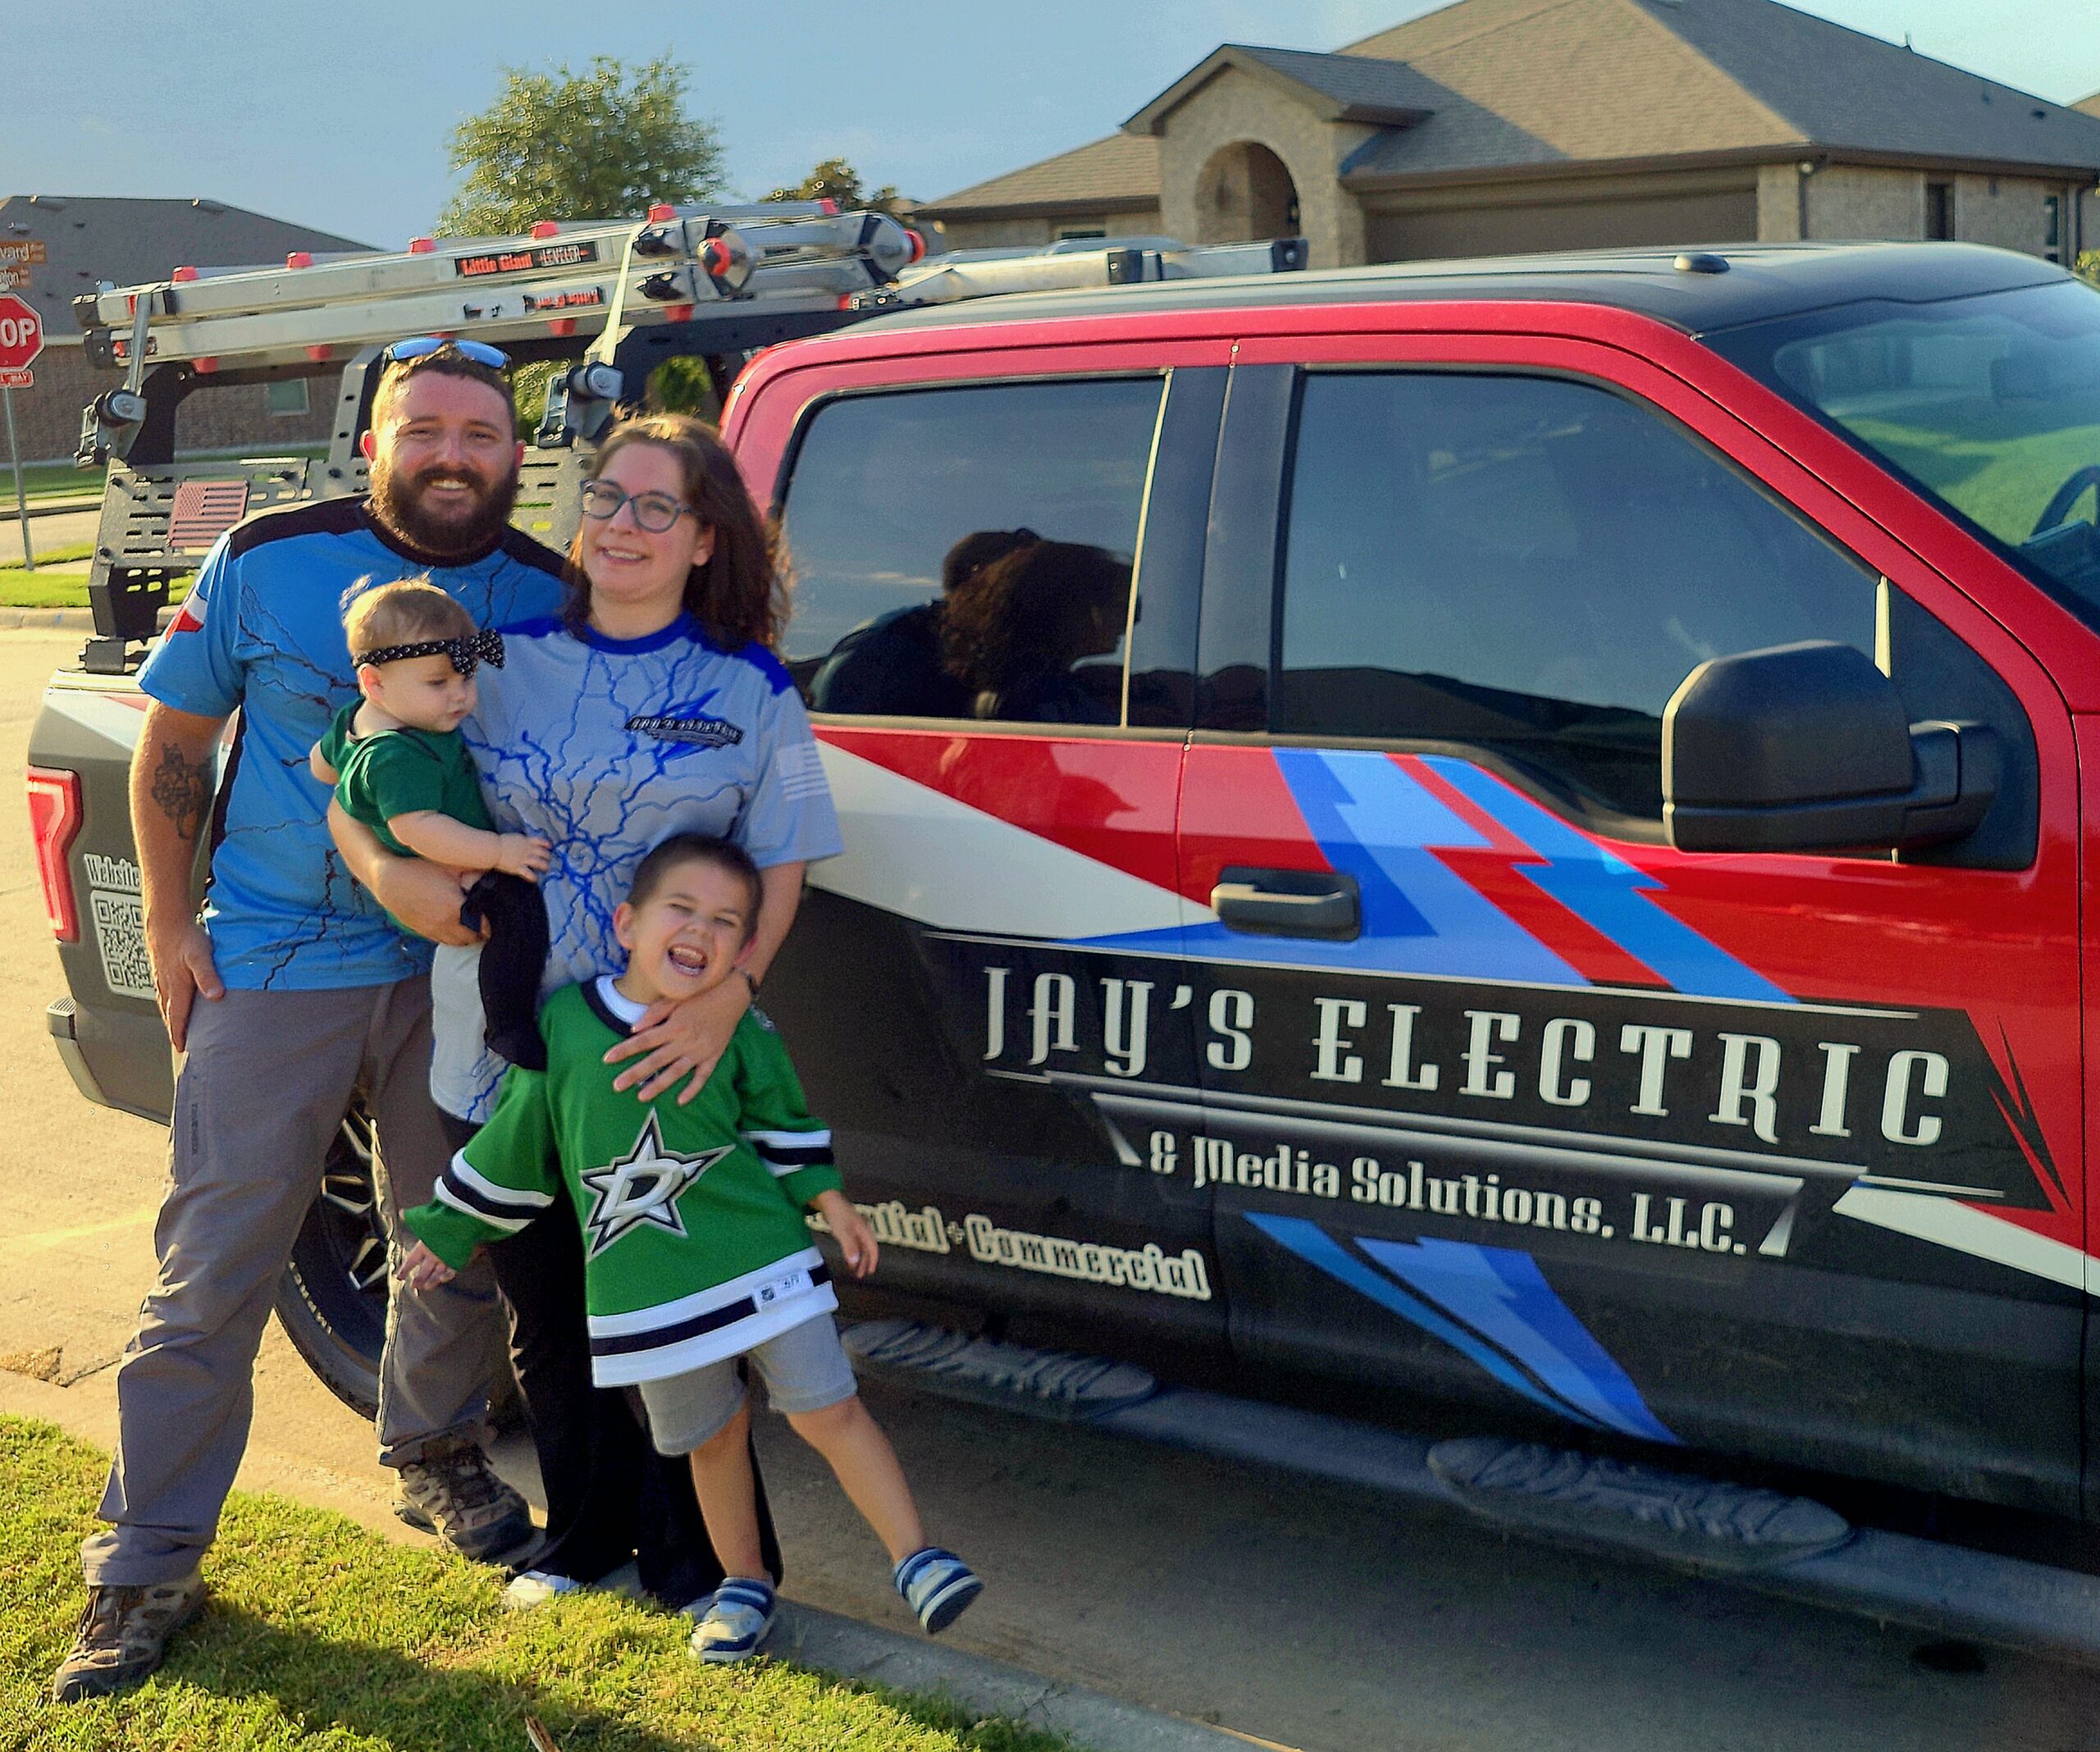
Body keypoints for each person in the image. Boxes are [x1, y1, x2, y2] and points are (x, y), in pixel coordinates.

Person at [54, 338, 561, 1705]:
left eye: (480, 433)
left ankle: (437, 1453)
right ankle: (146, 1561)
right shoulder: (270, 558)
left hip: (451, 975)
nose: (452, 454)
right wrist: (172, 926)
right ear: (376, 444)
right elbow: (174, 743)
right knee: (213, 1267)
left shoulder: (546, 591)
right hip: (272, 963)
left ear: (515, 456)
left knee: (448, 1234)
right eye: (424, 429)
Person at [331, 412, 840, 1617]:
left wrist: (729, 998)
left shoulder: (751, 685)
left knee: (674, 1319)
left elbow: (784, 860)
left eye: (658, 506)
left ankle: (706, 1565)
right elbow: (348, 768)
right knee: (550, 1315)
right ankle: (582, 1535)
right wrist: (389, 872)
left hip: (659, 1058)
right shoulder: (489, 659)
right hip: (498, 1054)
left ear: (705, 538)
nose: (622, 523)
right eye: (606, 496)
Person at [398, 833, 983, 1662]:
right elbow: (520, 1141)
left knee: (830, 1410)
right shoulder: (567, 1025)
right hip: (647, 1293)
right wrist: (452, 1227)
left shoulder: (739, 1027)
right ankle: (742, 1586)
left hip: (764, 1264)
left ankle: (916, 1558)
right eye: (682, 909)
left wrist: (833, 1204)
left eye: (726, 921)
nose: (701, 931)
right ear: (627, 924)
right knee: (709, 1439)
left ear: (744, 951)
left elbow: (783, 1122)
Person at [313, 579, 552, 1069]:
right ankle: (508, 1023)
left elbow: (321, 764)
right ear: (374, 684)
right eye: (438, 684)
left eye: (466, 678)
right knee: (520, 916)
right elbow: (416, 828)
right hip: (444, 871)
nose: (459, 697)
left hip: (437, 865)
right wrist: (499, 851)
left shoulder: (357, 720)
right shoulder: (400, 754)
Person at [808, 527, 1039, 716]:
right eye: (1017, 579)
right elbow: (846, 743)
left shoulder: (1009, 651)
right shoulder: (887, 651)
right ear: (978, 579)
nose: (1035, 598)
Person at [938, 538, 1133, 723]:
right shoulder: (1035, 704)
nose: (1132, 619)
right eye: (1121, 606)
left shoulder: (1052, 692)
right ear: (1067, 609)